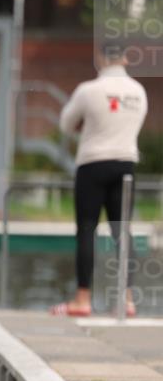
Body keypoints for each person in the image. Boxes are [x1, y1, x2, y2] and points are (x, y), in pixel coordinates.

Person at [53, 46, 147, 317]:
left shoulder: (88, 91)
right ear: (126, 58)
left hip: (93, 164)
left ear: (100, 58)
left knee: (86, 230)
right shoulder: (138, 92)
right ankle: (127, 299)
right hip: (125, 164)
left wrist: (88, 125)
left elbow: (65, 124)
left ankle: (82, 300)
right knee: (122, 231)